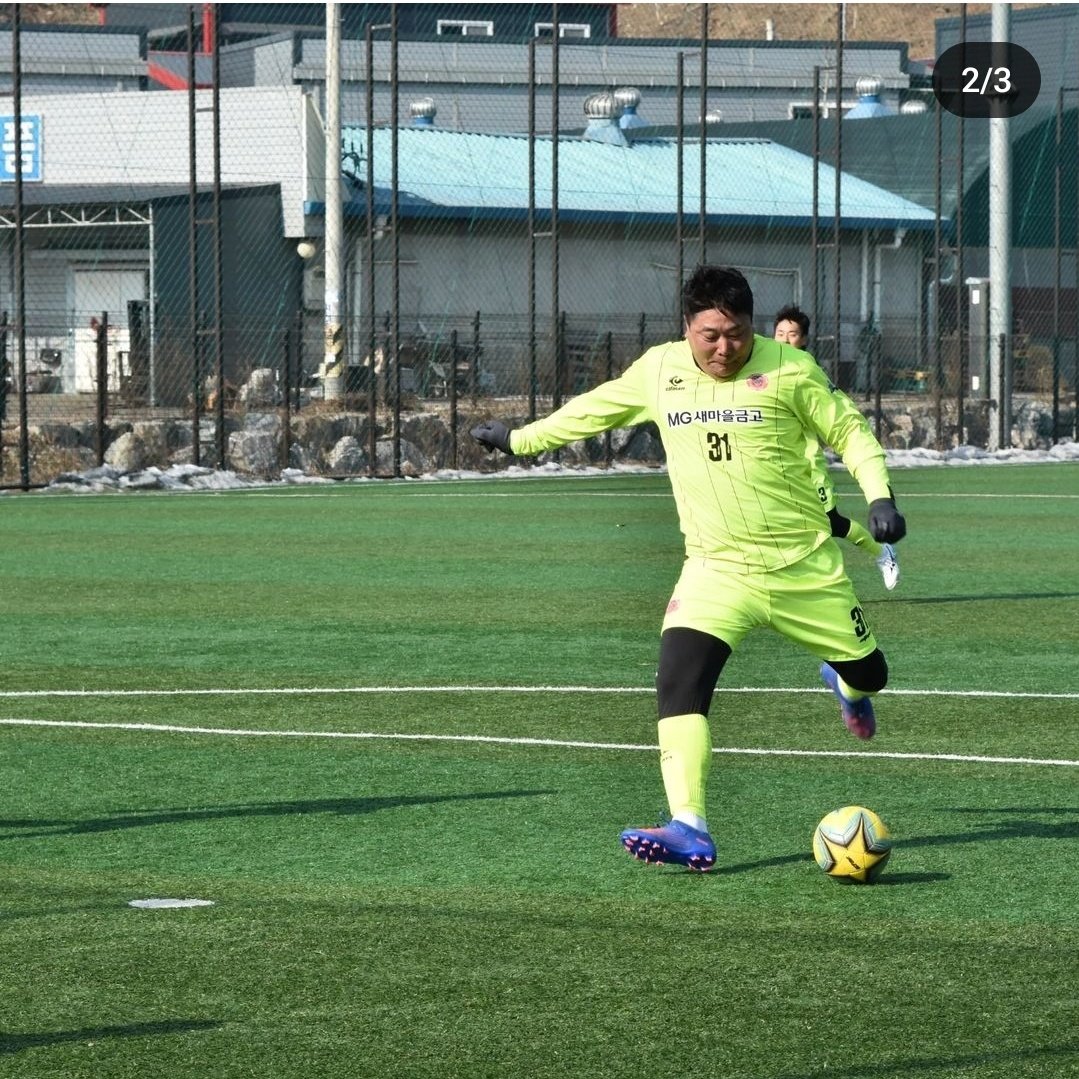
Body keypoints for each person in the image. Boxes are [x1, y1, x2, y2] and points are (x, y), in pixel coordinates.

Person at [472, 266, 906, 873]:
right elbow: (596, 409)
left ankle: (847, 687)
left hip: (803, 568)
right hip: (715, 570)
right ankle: (690, 826)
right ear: (687, 328)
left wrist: (879, 495)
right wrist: (522, 440)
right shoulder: (660, 369)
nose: (724, 347)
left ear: (751, 326)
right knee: (678, 683)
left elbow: (851, 432)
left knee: (872, 673)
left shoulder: (791, 370)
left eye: (735, 333)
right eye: (710, 335)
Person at [774, 304, 899, 589]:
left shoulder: (806, 372)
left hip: (805, 465)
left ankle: (882, 552)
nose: (783, 339)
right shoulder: (763, 369)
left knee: (829, 523)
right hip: (773, 466)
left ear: (803, 339)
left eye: (791, 334)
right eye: (779, 333)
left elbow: (839, 421)